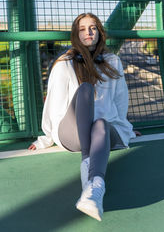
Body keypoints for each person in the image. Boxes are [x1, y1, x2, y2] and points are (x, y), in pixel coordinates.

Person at [28, 13, 138, 221]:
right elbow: (54, 104)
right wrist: (46, 137)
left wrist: (126, 127)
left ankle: (95, 189)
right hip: (73, 132)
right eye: (82, 29)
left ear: (99, 32)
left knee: (102, 123)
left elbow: (120, 100)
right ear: (75, 34)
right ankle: (87, 160)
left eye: (93, 28)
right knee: (86, 89)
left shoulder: (113, 61)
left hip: (102, 132)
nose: (88, 32)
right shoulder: (64, 63)